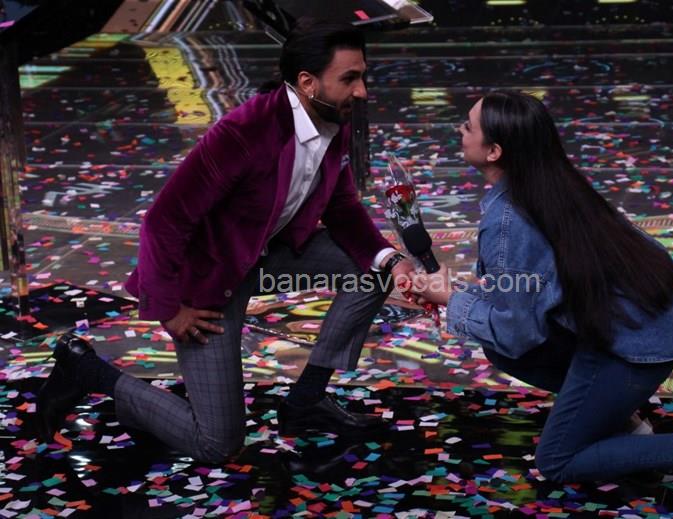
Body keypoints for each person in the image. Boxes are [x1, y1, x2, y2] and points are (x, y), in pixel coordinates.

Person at [35, 20, 415, 464]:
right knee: (218, 443)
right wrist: (169, 309)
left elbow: (342, 208)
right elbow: (163, 221)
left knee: (371, 271)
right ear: (308, 83)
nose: (362, 91)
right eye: (349, 78)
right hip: (206, 283)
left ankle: (306, 399)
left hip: (262, 257)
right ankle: (87, 370)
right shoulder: (245, 132)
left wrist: (392, 261)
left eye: (362, 76)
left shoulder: (333, 120)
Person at [408, 92, 673, 497]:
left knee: (557, 460)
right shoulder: (553, 185)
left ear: (494, 150)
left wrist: (450, 298)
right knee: (501, 349)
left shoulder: (508, 219)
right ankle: (616, 415)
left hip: (632, 345)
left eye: (468, 126)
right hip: (643, 323)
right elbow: (525, 299)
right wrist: (457, 294)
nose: (460, 131)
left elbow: (516, 330)